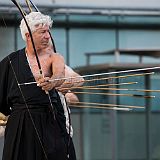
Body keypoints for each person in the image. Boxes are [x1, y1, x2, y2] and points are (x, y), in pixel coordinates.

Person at [0, 11, 80, 160]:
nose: (48, 36)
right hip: (20, 124)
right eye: (42, 32)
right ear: (28, 35)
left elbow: (59, 75)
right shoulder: (10, 61)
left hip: (50, 122)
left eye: (48, 31)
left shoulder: (54, 57)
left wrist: (52, 82)